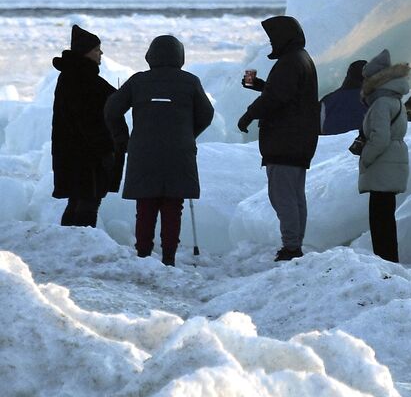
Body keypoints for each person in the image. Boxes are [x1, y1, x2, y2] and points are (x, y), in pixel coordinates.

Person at [104, 35, 214, 265]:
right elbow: (207, 114)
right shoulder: (190, 81)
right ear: (180, 56)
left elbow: (112, 109)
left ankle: (143, 254)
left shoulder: (138, 81)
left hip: (143, 151)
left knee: (145, 205)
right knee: (173, 206)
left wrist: (121, 138)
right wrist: (187, 134)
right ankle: (169, 258)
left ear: (150, 56)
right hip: (179, 153)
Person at [237, 16, 319, 261]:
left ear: (283, 37)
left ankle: (291, 247)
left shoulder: (290, 62)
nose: (271, 42)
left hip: (286, 140)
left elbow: (277, 98)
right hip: (298, 140)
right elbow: (285, 92)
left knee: (283, 196)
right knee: (294, 196)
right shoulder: (300, 59)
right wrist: (263, 85)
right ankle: (294, 244)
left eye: (273, 38)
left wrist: (249, 114)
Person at [51, 25, 123, 226]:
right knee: (88, 200)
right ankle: (81, 241)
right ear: (85, 52)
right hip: (87, 155)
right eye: (96, 49)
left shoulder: (73, 75)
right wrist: (105, 150)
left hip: (73, 152)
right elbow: (88, 120)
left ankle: (67, 242)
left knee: (77, 198)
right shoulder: (83, 79)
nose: (101, 53)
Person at [357, 49, 409, 262]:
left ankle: (386, 262)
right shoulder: (395, 100)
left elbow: (380, 138)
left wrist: (365, 158)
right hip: (393, 163)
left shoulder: (380, 103)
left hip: (382, 164)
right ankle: (390, 260)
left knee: (379, 220)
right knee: (386, 218)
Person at [320, 59, 368, 135]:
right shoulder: (373, 99)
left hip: (331, 144)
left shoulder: (328, 100)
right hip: (366, 143)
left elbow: (317, 127)